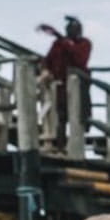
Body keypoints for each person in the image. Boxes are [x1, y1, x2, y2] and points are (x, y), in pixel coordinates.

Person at [37, 15, 91, 147]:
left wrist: (58, 35)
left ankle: (75, 147)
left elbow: (79, 60)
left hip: (78, 86)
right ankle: (60, 146)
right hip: (60, 86)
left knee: (78, 116)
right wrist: (45, 70)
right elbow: (48, 60)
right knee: (61, 118)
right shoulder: (58, 44)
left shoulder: (85, 44)